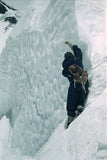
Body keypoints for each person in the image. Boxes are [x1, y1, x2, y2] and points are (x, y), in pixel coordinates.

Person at [62, 41, 89, 128]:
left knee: (71, 98)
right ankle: (80, 105)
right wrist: (73, 46)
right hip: (82, 82)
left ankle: (70, 116)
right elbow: (79, 52)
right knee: (82, 90)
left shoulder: (66, 69)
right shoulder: (77, 60)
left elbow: (64, 73)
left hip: (73, 86)